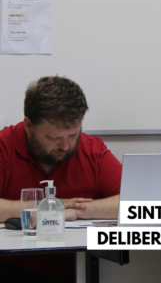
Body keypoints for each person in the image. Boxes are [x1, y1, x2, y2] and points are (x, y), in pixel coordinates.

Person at [0, 76, 122, 282]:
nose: (65, 146)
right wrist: (48, 209)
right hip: (11, 268)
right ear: (28, 125)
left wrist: (76, 212)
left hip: (80, 270)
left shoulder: (92, 150)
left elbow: (135, 201)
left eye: (73, 135)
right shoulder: (4, 146)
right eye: (53, 138)